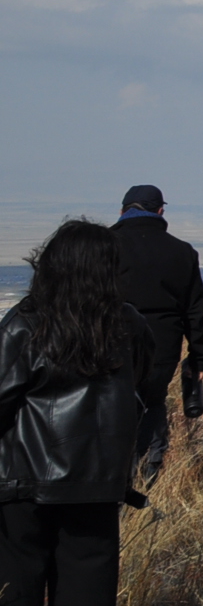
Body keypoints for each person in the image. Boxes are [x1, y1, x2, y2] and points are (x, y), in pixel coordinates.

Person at [0, 220, 157, 606]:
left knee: (16, 591)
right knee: (87, 591)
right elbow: (141, 382)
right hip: (96, 486)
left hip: (23, 487)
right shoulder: (128, 325)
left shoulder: (25, 325)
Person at [112, 185, 203, 484]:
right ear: (160, 212)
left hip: (109, 342)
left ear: (122, 211)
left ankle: (113, 478)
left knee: (110, 409)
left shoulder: (103, 246)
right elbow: (195, 309)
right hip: (162, 345)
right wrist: (199, 356)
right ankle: (147, 474)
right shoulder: (182, 251)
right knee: (153, 403)